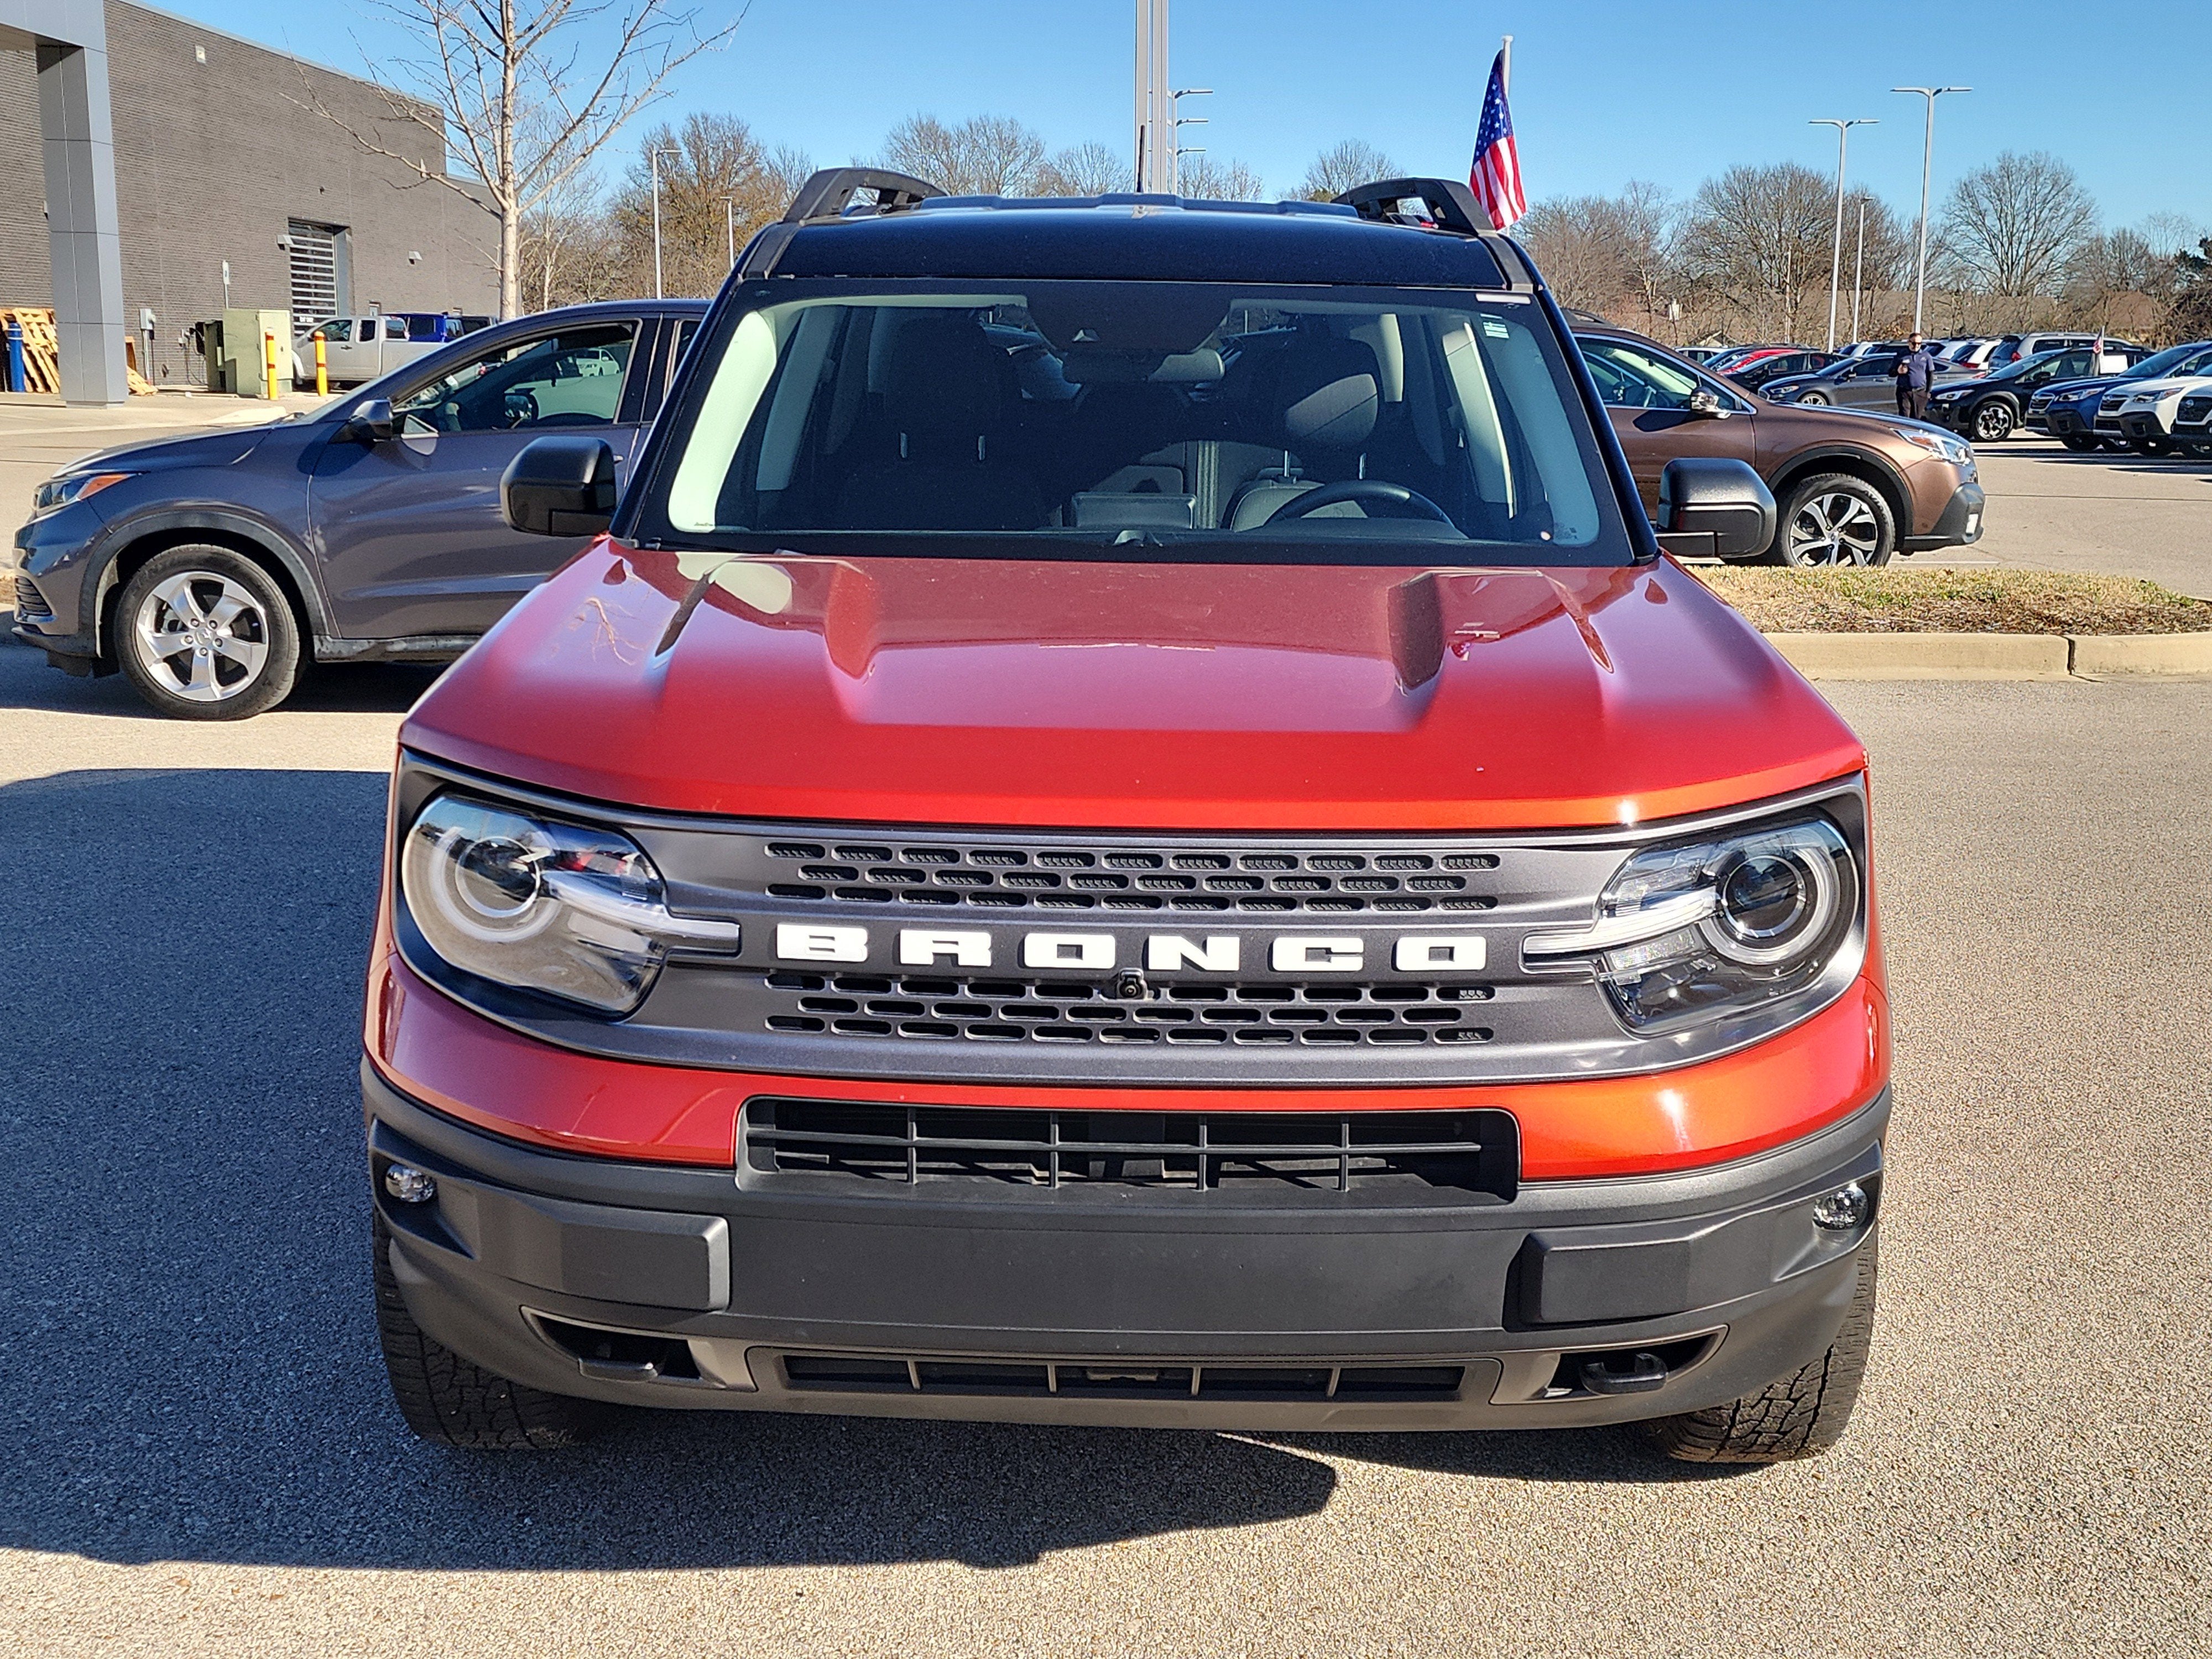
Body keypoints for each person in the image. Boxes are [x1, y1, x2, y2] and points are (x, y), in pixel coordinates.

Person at [1895, 333, 1937, 421]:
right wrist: (1898, 371)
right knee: (1905, 417)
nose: (1916, 346)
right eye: (1914, 343)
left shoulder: (1926, 356)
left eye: (1919, 344)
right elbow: (1891, 373)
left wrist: (1928, 391)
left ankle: (1914, 434)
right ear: (1909, 343)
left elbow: (1930, 374)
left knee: (1917, 418)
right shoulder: (1901, 355)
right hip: (1904, 391)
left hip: (1920, 392)